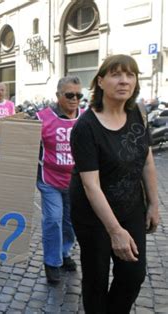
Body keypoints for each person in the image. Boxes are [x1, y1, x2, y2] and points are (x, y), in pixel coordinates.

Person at [70, 54, 159, 313]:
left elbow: (147, 161)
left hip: (131, 207)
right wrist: (115, 231)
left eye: (130, 75)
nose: (124, 81)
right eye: (116, 75)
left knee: (133, 275)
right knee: (96, 279)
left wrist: (153, 203)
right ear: (100, 82)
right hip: (93, 215)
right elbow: (91, 186)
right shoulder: (85, 127)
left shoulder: (138, 113)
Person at [35, 76, 84, 283]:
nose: (75, 99)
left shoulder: (86, 117)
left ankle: (64, 253)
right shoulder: (41, 118)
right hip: (49, 181)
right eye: (69, 95)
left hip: (76, 182)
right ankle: (52, 262)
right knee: (53, 219)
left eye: (79, 95)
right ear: (58, 96)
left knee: (70, 223)